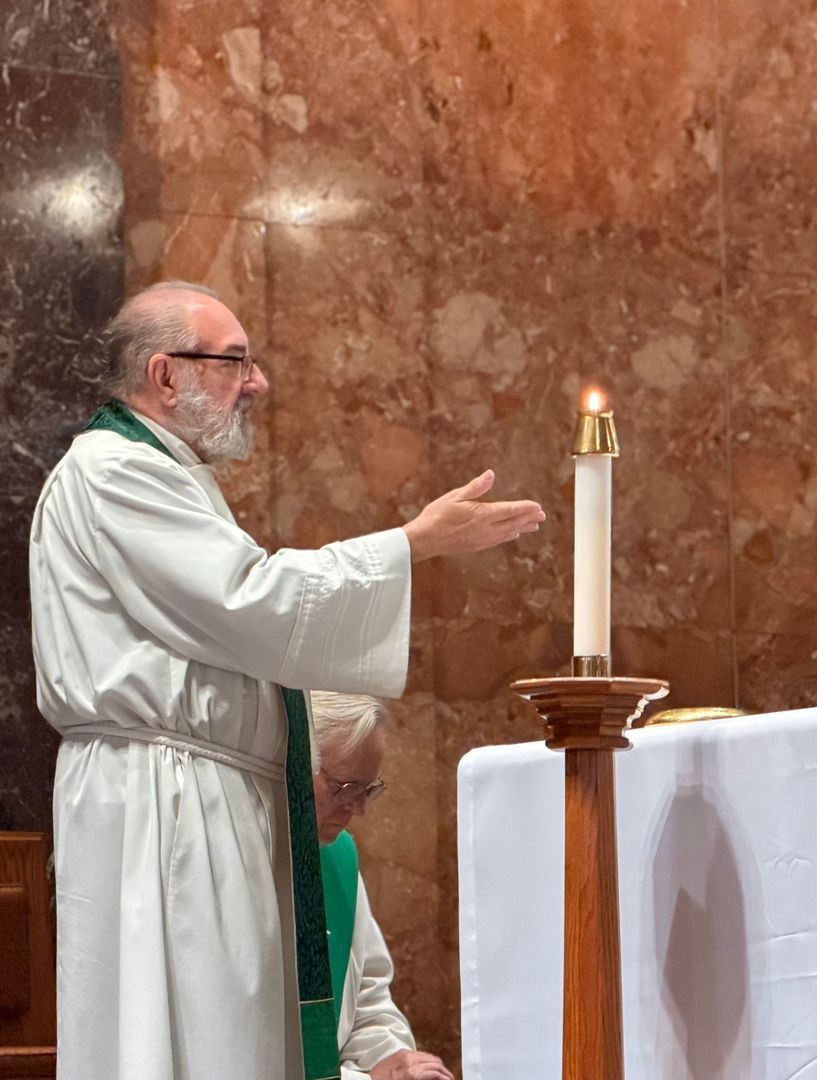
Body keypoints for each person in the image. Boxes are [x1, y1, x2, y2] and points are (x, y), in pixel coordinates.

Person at [30, 281, 545, 1079]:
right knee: (182, 1039)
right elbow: (251, 601)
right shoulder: (114, 471)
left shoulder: (163, 473)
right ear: (165, 374)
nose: (258, 382)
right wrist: (410, 544)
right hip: (163, 807)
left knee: (220, 1037)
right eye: (236, 361)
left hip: (195, 792)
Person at [307, 692, 452, 1080]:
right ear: (293, 764)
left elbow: (367, 1002)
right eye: (345, 787)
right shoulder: (240, 864)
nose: (359, 808)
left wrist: (398, 1063)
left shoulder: (337, 857)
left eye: (368, 789)